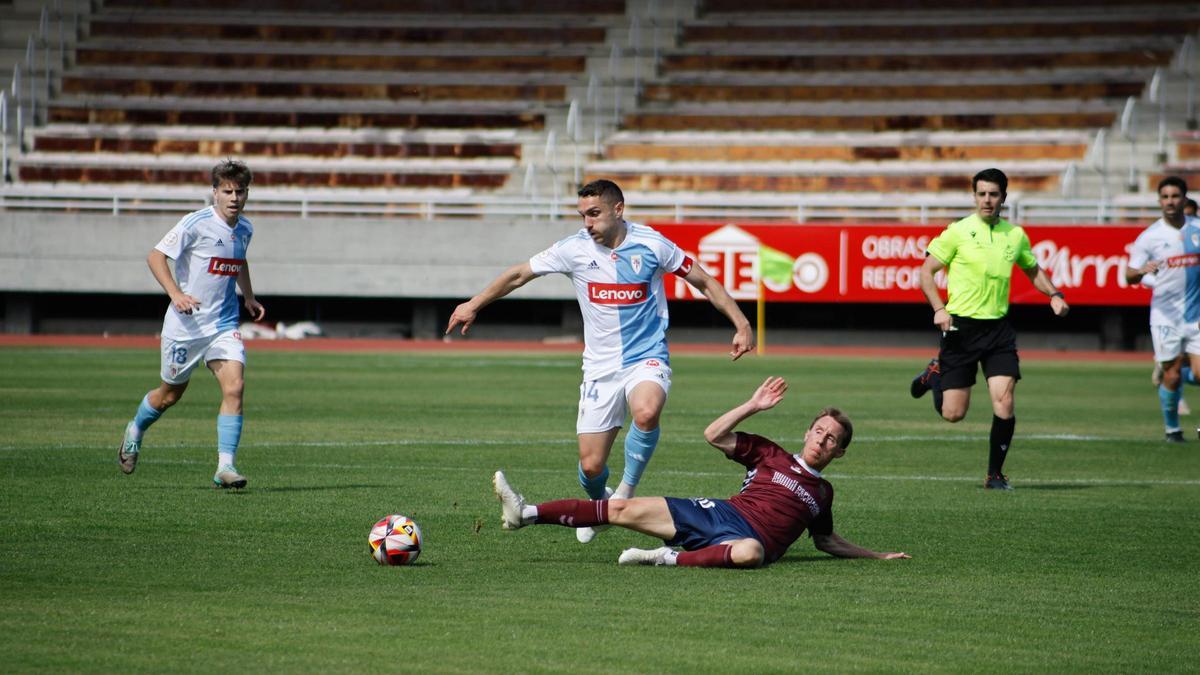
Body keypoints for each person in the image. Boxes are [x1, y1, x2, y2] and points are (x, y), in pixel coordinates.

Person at [448, 179, 754, 543]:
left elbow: (703, 280)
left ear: (618, 210)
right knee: (591, 467)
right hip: (599, 368)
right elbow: (518, 274)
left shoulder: (653, 245)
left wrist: (741, 323)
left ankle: (625, 493)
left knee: (647, 410)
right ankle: (601, 505)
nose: (587, 224)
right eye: (582, 216)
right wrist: (473, 304)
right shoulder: (574, 249)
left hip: (647, 357)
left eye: (594, 214)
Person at [491, 376, 910, 568]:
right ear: (807, 431)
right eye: (819, 431)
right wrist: (753, 405)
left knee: (751, 553)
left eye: (832, 439)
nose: (822, 440)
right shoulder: (770, 453)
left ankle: (667, 557)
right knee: (620, 509)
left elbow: (826, 541)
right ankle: (525, 514)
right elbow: (713, 435)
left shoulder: (822, 494)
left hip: (747, 541)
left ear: (840, 452)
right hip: (717, 514)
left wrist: (876, 555)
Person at [909, 168, 1069, 490]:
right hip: (960, 329)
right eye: (981, 193)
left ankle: (995, 475)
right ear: (974, 196)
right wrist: (939, 309)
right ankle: (935, 375)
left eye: (993, 194)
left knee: (1005, 401)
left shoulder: (1015, 235)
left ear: (1003, 198)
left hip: (998, 331)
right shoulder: (957, 231)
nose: (986, 200)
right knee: (953, 414)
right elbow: (926, 272)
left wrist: (1054, 294)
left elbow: (1032, 269)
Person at [117, 159, 266, 488]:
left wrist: (249, 297)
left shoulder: (246, 229)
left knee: (235, 387)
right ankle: (136, 429)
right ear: (214, 192)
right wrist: (175, 293)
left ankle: (225, 467)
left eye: (240, 191)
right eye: (227, 191)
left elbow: (238, 260)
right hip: (185, 327)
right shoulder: (195, 223)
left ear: (247, 193)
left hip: (223, 325)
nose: (234, 197)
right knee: (169, 396)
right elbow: (155, 257)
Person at [1127, 177, 1200, 442]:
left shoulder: (1198, 229)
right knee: (1171, 375)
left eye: (1175, 196)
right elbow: (1128, 276)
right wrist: (1140, 272)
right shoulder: (1149, 237)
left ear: (1184, 198)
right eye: (1165, 197)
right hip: (1165, 315)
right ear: (1160, 201)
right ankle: (1172, 429)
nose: (1170, 201)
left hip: (1197, 315)